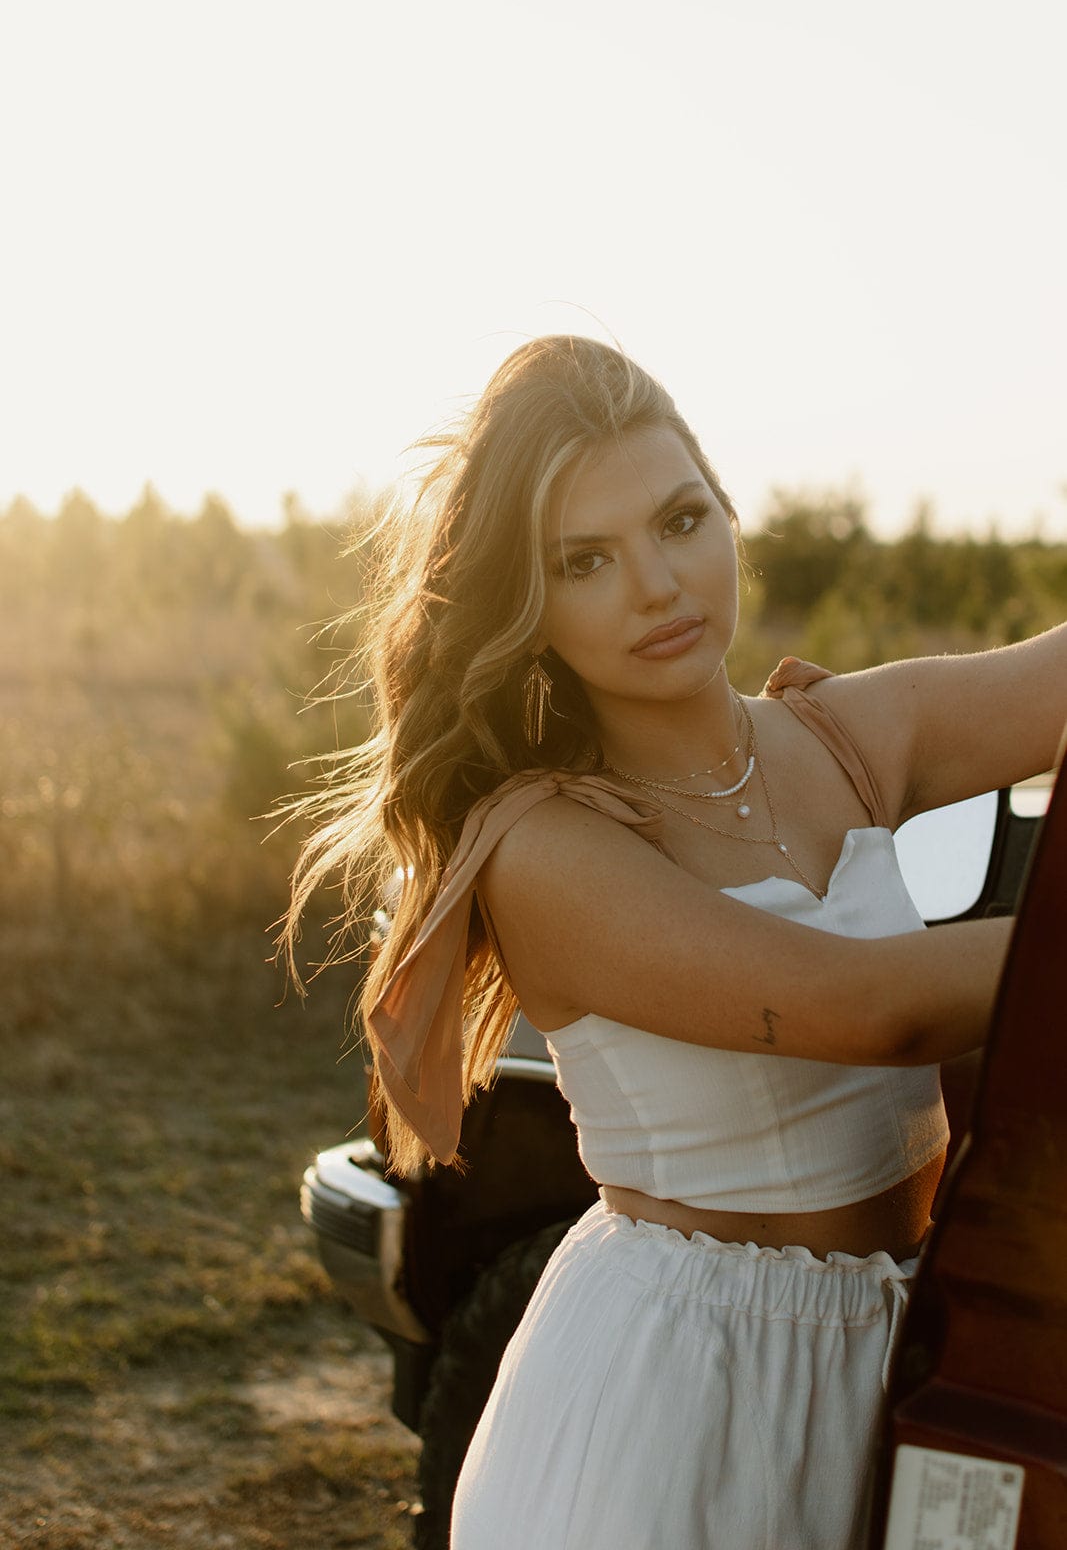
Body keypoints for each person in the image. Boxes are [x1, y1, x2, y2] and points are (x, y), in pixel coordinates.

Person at [283, 336, 1066, 1549]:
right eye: (584, 561)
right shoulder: (545, 841)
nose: (657, 583)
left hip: (893, 1345)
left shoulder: (845, 736)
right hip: (682, 1390)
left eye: (680, 520)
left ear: (728, 514)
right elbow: (866, 1009)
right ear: (527, 606)